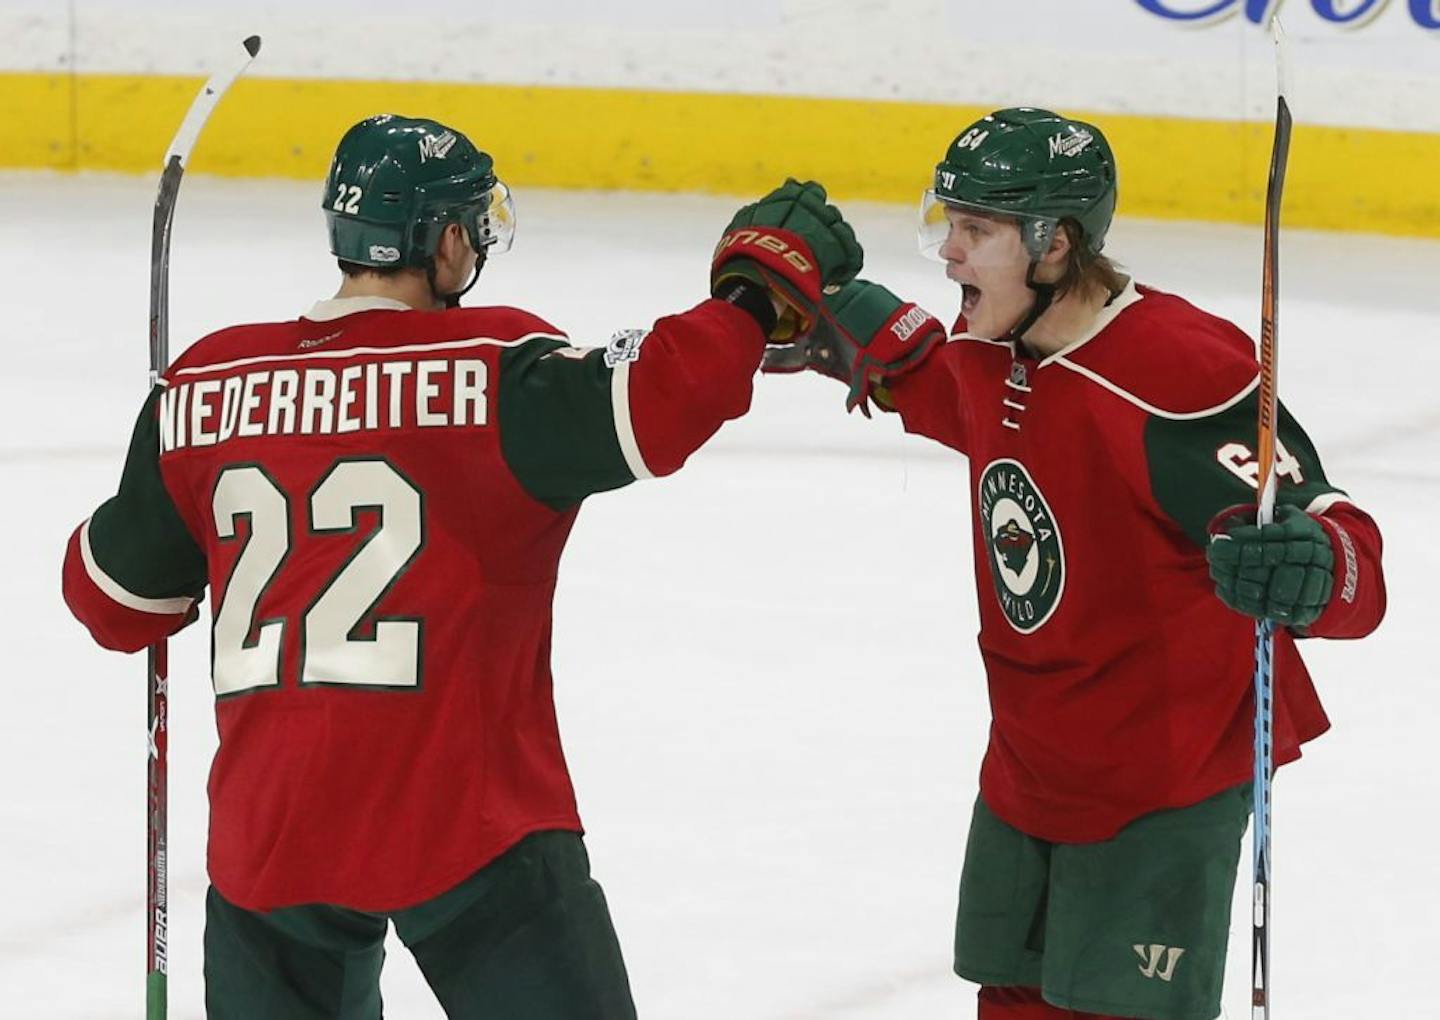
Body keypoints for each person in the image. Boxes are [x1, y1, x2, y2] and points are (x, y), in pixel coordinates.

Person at [61, 113, 861, 1019]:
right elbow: (663, 394)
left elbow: (113, 603)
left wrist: (166, 455)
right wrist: (753, 297)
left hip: (272, 839)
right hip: (468, 828)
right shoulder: (491, 366)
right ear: (445, 241)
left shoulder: (204, 383)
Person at [765, 107, 1386, 1020]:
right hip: (1030, 765)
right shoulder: (995, 346)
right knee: (1011, 1004)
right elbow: (944, 388)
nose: (949, 255)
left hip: (1161, 783)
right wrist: (828, 298)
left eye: (975, 231)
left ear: (1054, 243)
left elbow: (1346, 554)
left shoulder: (1175, 372)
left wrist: (1318, 567)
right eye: (948, 224)